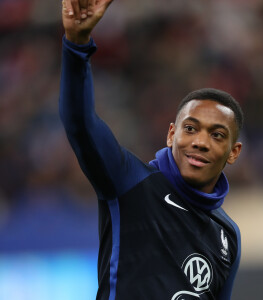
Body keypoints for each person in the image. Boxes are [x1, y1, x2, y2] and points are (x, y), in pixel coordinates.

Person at [59, 0, 243, 299]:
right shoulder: (131, 183)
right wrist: (76, 45)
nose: (199, 141)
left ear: (233, 153)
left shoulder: (227, 235)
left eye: (217, 134)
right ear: (171, 134)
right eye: (191, 128)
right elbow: (80, 123)